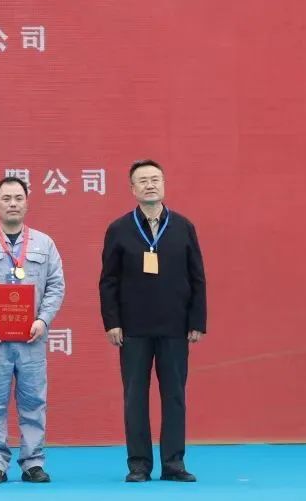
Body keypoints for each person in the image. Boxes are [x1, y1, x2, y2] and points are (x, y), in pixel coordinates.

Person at [99, 159, 207, 483]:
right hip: (133, 328)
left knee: (174, 396)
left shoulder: (183, 227)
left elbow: (197, 277)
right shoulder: (119, 229)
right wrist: (112, 322)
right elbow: (108, 281)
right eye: (143, 180)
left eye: (155, 179)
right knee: (135, 397)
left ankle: (173, 463)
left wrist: (197, 321)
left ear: (163, 185)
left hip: (175, 326)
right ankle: (139, 465)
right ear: (132, 188)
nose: (150, 185)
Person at [0, 176, 66, 484]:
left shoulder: (44, 243)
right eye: (6, 199)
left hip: (32, 338)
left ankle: (33, 461)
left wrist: (43, 320)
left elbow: (56, 285)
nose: (13, 204)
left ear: (27, 203)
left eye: (18, 198)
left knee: (33, 401)